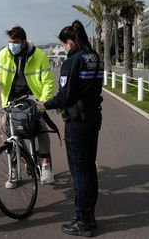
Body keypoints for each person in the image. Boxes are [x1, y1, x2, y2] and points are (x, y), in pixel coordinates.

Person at [38, 20, 103, 237]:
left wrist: (44, 105)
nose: (64, 48)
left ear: (70, 41)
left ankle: (83, 221)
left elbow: (64, 95)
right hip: (94, 116)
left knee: (79, 171)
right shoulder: (95, 57)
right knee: (89, 167)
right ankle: (88, 215)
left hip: (77, 121)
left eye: (64, 44)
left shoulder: (73, 61)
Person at [0, 26, 55, 186]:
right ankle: (14, 170)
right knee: (12, 135)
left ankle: (46, 164)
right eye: (9, 42)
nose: (11, 45)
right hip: (11, 100)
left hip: (33, 98)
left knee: (41, 128)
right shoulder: (3, 54)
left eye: (14, 42)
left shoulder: (39, 55)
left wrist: (43, 101)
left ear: (23, 42)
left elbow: (48, 81)